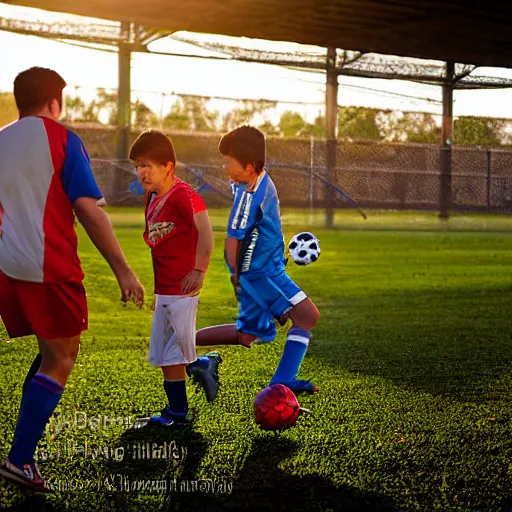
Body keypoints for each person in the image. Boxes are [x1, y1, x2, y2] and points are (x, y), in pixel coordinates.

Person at [0, 67, 144, 492]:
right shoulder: (63, 139)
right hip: (46, 267)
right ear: (53, 102)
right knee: (61, 357)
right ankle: (19, 461)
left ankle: (21, 449)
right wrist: (124, 269)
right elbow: (89, 210)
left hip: (6, 266)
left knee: (49, 351)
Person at [195, 125, 320, 393]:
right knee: (304, 316)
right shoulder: (248, 193)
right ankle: (184, 346)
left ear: (250, 166)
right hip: (259, 275)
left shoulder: (256, 186)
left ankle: (188, 348)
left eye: (228, 162)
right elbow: (233, 243)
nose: (224, 167)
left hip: (269, 270)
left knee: (250, 334)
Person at [129, 130, 221, 428]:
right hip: (165, 285)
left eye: (149, 165)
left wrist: (199, 270)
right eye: (138, 165)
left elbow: (206, 235)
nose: (142, 172)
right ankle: (202, 365)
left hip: (182, 285)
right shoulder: (152, 195)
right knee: (174, 347)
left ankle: (177, 413)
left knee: (168, 352)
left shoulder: (186, 195)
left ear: (168, 166)